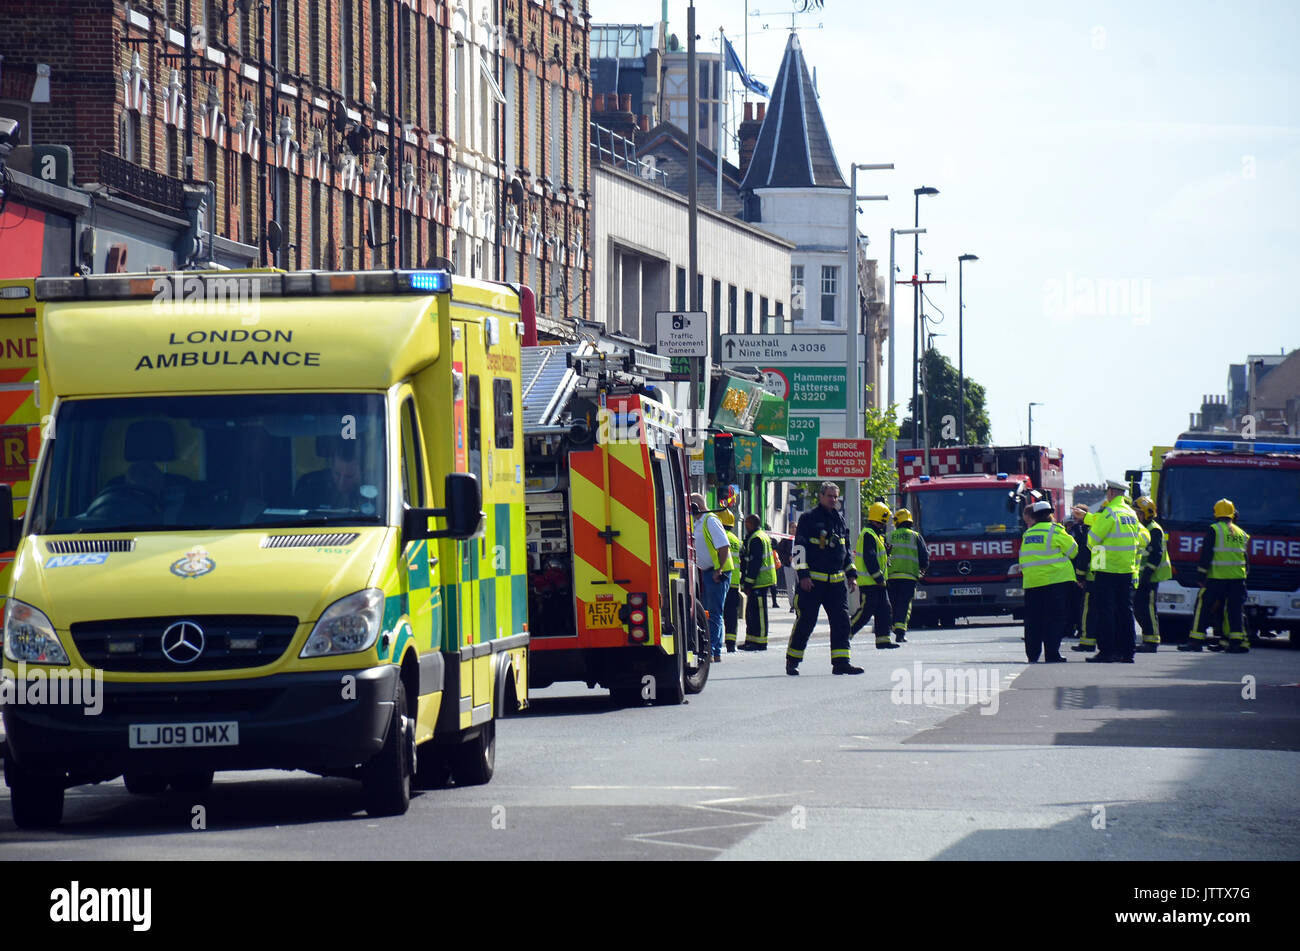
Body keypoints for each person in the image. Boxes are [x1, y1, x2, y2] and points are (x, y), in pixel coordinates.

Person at [787, 482, 863, 675]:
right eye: (830, 496)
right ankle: (792, 660)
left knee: (841, 622)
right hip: (812, 583)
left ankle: (841, 662)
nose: (833, 500)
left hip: (836, 584)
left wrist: (852, 576)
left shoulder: (840, 520)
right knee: (806, 621)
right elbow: (799, 550)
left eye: (836, 496)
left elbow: (846, 551)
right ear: (820, 496)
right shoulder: (808, 519)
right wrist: (803, 576)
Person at [1179, 498, 1250, 653]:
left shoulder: (1215, 529)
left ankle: (1196, 641)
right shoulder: (1241, 533)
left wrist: (1201, 576)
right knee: (1235, 610)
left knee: (1203, 607)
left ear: (1216, 513)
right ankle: (1237, 642)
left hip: (1216, 578)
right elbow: (1245, 558)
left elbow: (1206, 555)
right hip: (1238, 579)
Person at [1083, 480, 1142, 663]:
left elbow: (1092, 540)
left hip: (1107, 569)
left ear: (1111, 493)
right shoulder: (1131, 514)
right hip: (1127, 569)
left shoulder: (1109, 513)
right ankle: (1128, 652)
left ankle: (1107, 651)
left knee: (1105, 611)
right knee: (1125, 611)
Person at [1017, 500, 1078, 662]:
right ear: (1050, 514)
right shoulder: (1056, 531)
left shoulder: (1028, 534)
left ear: (1034, 517)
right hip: (1055, 581)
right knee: (1054, 619)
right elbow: (1074, 551)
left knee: (1032, 620)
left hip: (1032, 583)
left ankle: (1033, 655)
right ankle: (1052, 654)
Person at [849, 502, 900, 651]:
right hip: (870, 582)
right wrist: (878, 578)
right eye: (886, 519)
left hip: (878, 583)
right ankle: (845, 633)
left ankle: (883, 640)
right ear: (881, 518)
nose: (886, 523)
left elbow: (878, 557)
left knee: (884, 610)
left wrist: (887, 552)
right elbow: (869, 558)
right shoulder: (868, 534)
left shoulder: (876, 535)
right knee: (865, 612)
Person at [690, 493, 734, 663]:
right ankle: (710, 649)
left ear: (697, 506)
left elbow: (723, 546)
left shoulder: (710, 521)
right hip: (704, 572)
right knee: (707, 612)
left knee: (714, 612)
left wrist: (719, 569)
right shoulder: (697, 522)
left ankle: (714, 651)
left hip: (716, 573)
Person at [1133, 496, 1172, 653]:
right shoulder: (1142, 527)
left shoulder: (1154, 529)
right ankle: (1147, 638)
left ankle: (1152, 640)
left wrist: (1147, 574)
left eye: (1139, 513)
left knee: (1148, 608)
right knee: (1139, 608)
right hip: (1142, 576)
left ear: (1147, 514)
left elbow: (1155, 555)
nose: (1136, 516)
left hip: (1151, 576)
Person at [885, 507, 929, 644]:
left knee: (894, 603)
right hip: (909, 577)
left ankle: (893, 627)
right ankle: (900, 632)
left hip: (891, 576)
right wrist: (923, 568)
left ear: (897, 522)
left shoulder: (889, 536)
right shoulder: (915, 536)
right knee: (904, 605)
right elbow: (924, 556)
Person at [739, 514, 778, 651]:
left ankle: (761, 642)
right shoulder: (760, 535)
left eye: (746, 524)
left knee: (760, 613)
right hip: (759, 580)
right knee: (751, 613)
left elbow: (754, 563)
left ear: (751, 524)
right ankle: (751, 640)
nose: (745, 527)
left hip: (760, 581)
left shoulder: (756, 538)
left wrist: (748, 583)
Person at [295, 439, 365, 510]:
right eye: (337, 474)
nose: (341, 482)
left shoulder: (372, 493)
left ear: (362, 473)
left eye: (349, 477)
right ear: (331, 467)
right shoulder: (310, 487)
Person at [1068, 504, 1100, 652]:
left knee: (1088, 610)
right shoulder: (1098, 529)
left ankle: (1087, 640)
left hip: (1089, 576)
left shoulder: (1086, 530)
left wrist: (1080, 575)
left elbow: (1084, 554)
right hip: (1101, 574)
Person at [719, 510, 744, 653]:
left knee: (717, 613)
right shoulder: (736, 540)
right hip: (734, 582)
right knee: (731, 615)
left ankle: (716, 641)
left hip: (721, 580)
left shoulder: (718, 536)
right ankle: (731, 643)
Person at [775, 534, 798, 613]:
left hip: (800, 565)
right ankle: (792, 605)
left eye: (795, 527)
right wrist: (786, 558)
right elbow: (780, 550)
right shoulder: (785, 539)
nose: (793, 529)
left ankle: (801, 604)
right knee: (790, 586)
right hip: (788, 565)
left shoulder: (801, 538)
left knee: (801, 585)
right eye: (792, 527)